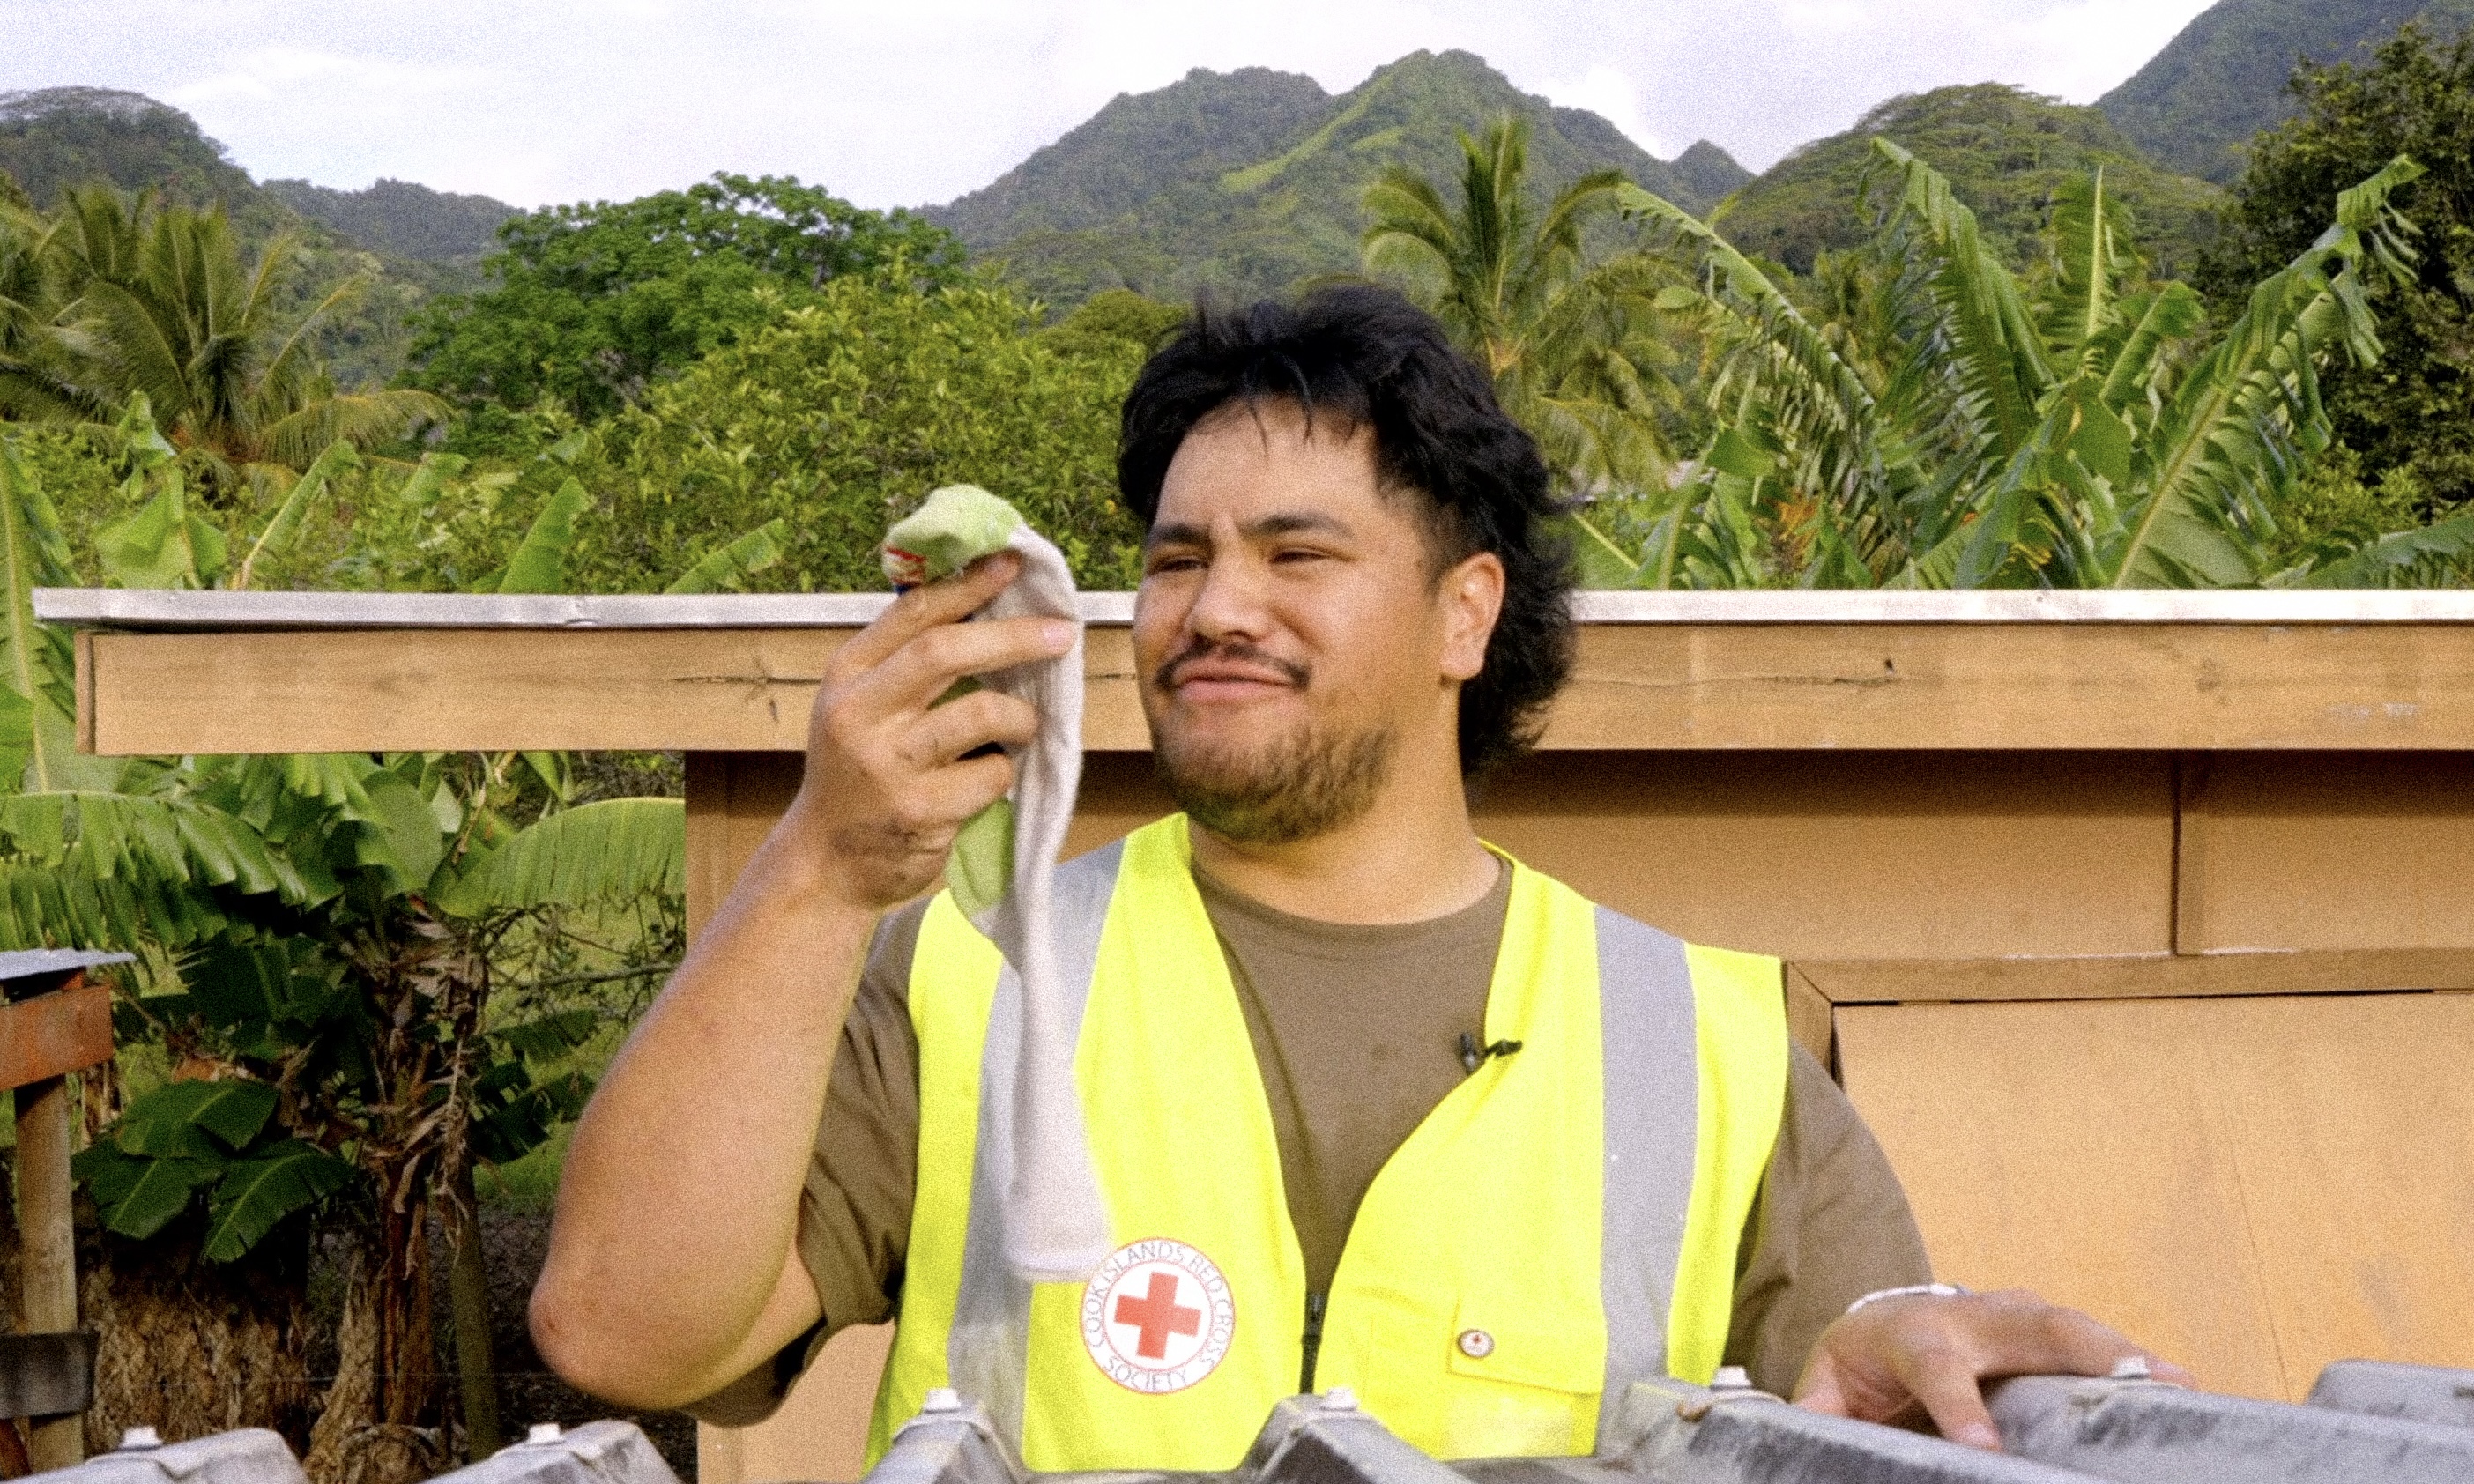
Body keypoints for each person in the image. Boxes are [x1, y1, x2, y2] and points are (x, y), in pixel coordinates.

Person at [531, 286, 2186, 1469]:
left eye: (1297, 554)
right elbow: (625, 1338)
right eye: (1178, 560)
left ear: (1466, 616)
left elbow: (1865, 1381)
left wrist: (1924, 1347)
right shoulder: (974, 969)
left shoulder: (1713, 1043)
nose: (1214, 607)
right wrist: (822, 867)